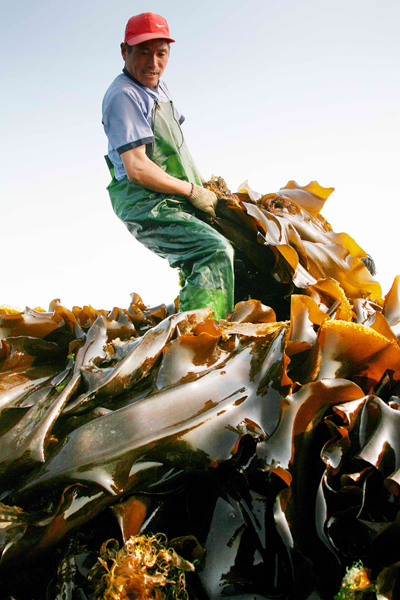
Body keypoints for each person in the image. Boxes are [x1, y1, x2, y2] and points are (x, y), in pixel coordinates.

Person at [102, 12, 234, 319]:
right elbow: (137, 168)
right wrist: (191, 191)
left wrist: (206, 184)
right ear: (125, 51)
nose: (153, 63)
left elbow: (178, 147)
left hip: (173, 193)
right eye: (143, 52)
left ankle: (201, 315)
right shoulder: (124, 95)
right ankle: (202, 337)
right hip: (145, 201)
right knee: (213, 250)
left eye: (161, 53)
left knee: (228, 246)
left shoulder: (159, 88)